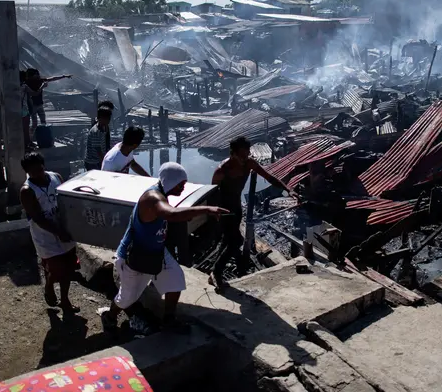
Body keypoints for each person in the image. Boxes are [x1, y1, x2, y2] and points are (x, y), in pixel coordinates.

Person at [101, 162, 229, 332]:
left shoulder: (162, 193)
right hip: (135, 255)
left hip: (157, 251)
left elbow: (167, 215)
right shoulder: (152, 197)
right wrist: (206, 209)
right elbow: (170, 214)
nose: (183, 188)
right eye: (180, 184)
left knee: (175, 279)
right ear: (170, 181)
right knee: (127, 298)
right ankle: (109, 316)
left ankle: (168, 319)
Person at [209, 136, 299, 290]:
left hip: (236, 207)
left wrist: (288, 189)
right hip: (223, 209)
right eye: (242, 155)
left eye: (247, 153)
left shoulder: (249, 163)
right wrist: (212, 214)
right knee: (236, 241)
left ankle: (214, 273)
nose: (245, 158)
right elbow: (211, 193)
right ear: (233, 153)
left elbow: (270, 177)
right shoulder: (222, 170)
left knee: (227, 241)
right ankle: (217, 272)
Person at [19, 152, 79, 314]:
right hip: (45, 236)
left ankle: (65, 300)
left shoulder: (56, 178)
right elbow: (38, 218)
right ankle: (49, 285)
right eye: (34, 171)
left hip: (64, 230)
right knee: (57, 269)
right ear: (27, 172)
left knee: (69, 267)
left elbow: (66, 200)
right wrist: (58, 232)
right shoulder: (27, 191)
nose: (39, 173)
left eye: (40, 168)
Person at [84, 101, 115, 171]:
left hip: (98, 159)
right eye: (107, 119)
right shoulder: (96, 131)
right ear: (100, 118)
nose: (108, 121)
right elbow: (98, 150)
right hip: (93, 162)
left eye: (109, 119)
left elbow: (105, 143)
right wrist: (104, 162)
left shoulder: (104, 127)